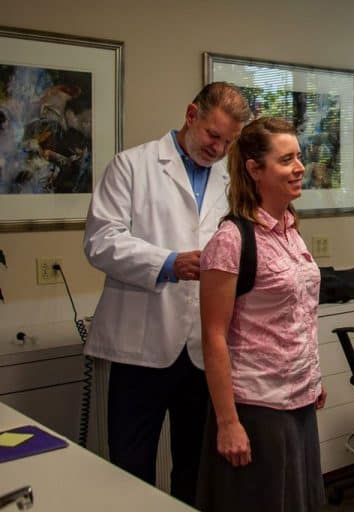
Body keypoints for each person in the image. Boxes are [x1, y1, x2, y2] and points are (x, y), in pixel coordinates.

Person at [83, 82, 250, 505]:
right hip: (141, 348)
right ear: (191, 115)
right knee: (130, 467)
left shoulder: (229, 180)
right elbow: (101, 241)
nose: (218, 148)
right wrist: (169, 263)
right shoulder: (132, 166)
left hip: (202, 350)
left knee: (196, 467)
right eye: (214, 135)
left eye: (228, 142)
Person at [196, 117, 327, 512]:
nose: (300, 167)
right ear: (254, 170)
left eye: (299, 157)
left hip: (300, 402)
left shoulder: (290, 230)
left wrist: (313, 376)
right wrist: (227, 422)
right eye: (286, 160)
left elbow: (298, 315)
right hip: (257, 408)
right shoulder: (231, 240)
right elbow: (213, 336)